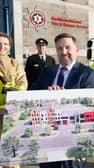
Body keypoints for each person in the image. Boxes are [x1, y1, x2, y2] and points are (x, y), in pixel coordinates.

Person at [30, 33, 94, 168]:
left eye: (67, 47)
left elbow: (88, 108)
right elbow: (32, 93)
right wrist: (47, 95)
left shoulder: (87, 74)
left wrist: (84, 143)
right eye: (59, 48)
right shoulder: (48, 71)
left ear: (76, 50)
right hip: (48, 137)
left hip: (73, 138)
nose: (63, 52)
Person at [0, 32, 28, 168]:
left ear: (9, 48)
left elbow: (23, 83)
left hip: (11, 113)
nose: (2, 46)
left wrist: (13, 90)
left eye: (5, 44)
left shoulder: (15, 64)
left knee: (12, 153)